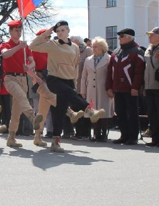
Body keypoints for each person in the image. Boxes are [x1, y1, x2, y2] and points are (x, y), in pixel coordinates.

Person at [30, 21, 105, 152]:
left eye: (63, 30)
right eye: (58, 31)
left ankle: (55, 141)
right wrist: (48, 32)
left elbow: (75, 65)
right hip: (54, 79)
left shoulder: (75, 47)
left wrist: (74, 82)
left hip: (68, 79)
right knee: (70, 95)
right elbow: (33, 45)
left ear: (68, 31)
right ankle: (90, 110)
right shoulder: (52, 44)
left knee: (59, 111)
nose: (60, 33)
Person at [0, 20, 43, 148]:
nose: (18, 32)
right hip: (10, 78)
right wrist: (18, 47)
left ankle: (11, 137)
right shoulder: (6, 44)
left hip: (23, 78)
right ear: (10, 32)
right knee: (22, 97)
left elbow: (33, 62)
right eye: (16, 30)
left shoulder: (25, 46)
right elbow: (5, 54)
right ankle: (32, 118)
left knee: (16, 111)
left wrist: (29, 67)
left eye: (20, 30)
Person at [106, 28, 145, 145]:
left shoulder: (137, 52)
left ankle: (133, 136)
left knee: (132, 113)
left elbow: (139, 72)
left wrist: (135, 87)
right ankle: (124, 135)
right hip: (118, 88)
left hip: (130, 89)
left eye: (122, 36)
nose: (119, 38)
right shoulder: (116, 52)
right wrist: (109, 87)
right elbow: (110, 71)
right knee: (120, 112)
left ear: (130, 37)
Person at [81, 37, 114, 142]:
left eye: (96, 47)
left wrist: (111, 88)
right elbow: (84, 76)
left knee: (103, 110)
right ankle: (95, 133)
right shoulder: (88, 59)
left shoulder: (109, 58)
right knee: (92, 110)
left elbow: (112, 75)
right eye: (92, 46)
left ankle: (103, 134)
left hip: (103, 88)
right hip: (90, 88)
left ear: (102, 47)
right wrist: (83, 90)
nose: (93, 48)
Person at [31, 28, 57, 145]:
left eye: (49, 38)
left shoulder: (50, 50)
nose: (48, 40)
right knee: (53, 99)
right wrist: (37, 78)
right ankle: (69, 112)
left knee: (43, 109)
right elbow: (29, 68)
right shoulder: (34, 51)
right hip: (39, 80)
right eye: (46, 37)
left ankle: (37, 136)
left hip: (50, 80)